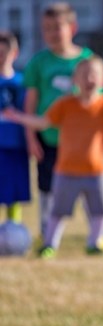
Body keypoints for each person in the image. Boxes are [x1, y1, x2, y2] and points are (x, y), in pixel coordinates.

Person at [3, 55, 103, 258]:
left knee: (101, 211)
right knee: (58, 211)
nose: (89, 79)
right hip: (66, 170)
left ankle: (95, 241)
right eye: (84, 75)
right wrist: (20, 118)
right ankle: (50, 244)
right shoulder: (65, 104)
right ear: (74, 80)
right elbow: (43, 122)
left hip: (96, 171)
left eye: (94, 74)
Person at [22, 2, 94, 241]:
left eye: (57, 27)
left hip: (80, 141)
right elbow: (30, 104)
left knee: (87, 187)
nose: (52, 33)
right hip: (49, 137)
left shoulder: (86, 60)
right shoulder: (39, 62)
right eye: (47, 28)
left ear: (72, 28)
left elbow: (96, 102)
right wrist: (31, 137)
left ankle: (95, 233)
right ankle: (47, 233)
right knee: (47, 186)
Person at [0, 31, 30, 224]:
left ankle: (12, 229)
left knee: (13, 192)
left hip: (16, 146)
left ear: (15, 53)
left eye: (3, 53)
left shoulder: (22, 82)